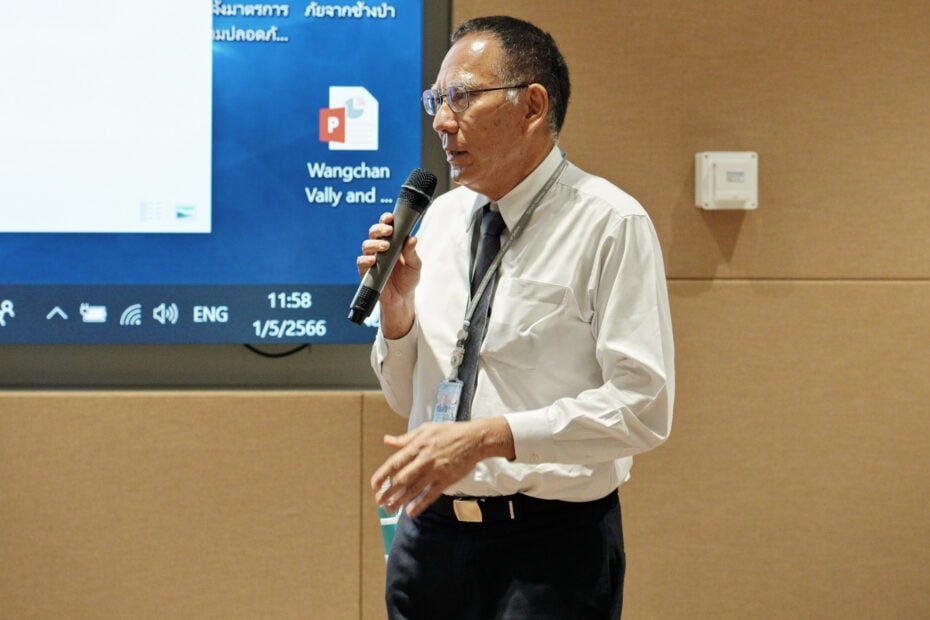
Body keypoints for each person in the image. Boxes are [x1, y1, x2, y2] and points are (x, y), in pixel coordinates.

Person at [357, 15, 674, 620]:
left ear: (532, 106)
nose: (441, 120)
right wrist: (397, 315)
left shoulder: (610, 224)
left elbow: (642, 407)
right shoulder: (441, 219)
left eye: (461, 97)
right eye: (436, 100)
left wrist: (488, 438)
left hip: (549, 547)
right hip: (429, 538)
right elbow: (405, 399)